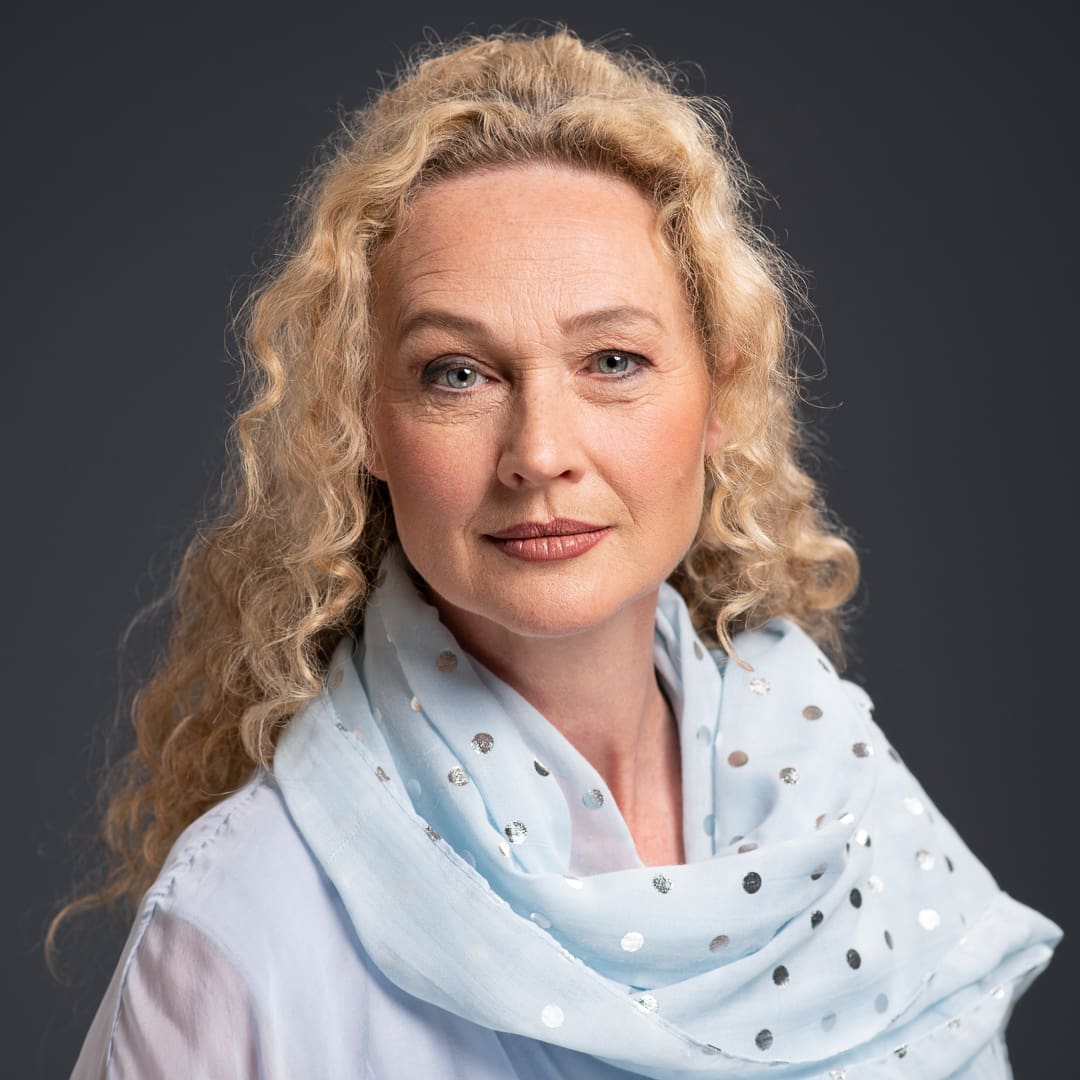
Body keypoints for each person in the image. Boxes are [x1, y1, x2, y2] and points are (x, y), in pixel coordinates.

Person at [62, 28, 1061, 1079]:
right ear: (361, 423)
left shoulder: (854, 814)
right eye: (457, 374)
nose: (539, 453)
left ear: (719, 394)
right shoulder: (244, 927)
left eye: (614, 360)